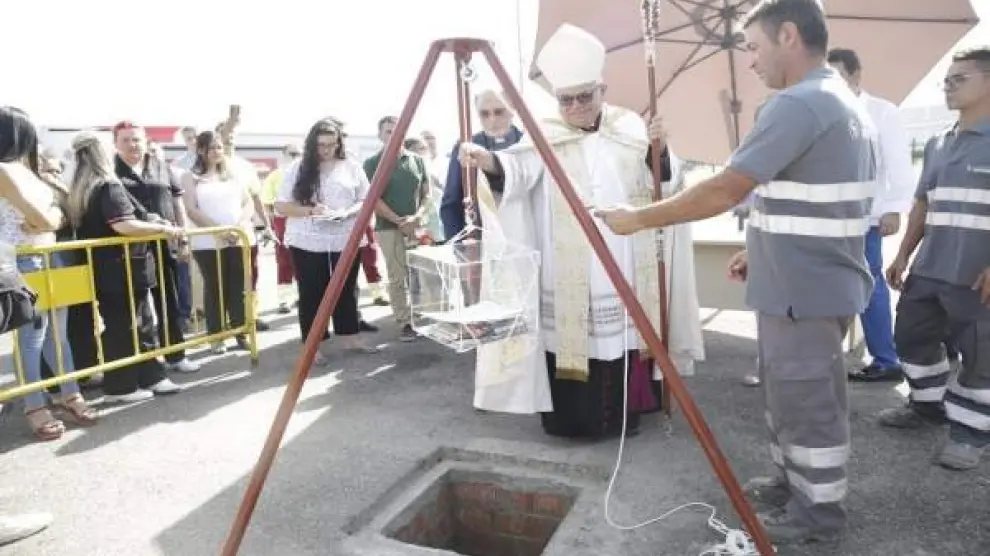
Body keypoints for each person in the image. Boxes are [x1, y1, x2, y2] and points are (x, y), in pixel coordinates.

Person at [596, 0, 875, 543]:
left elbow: (726, 189)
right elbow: (812, 198)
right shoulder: (838, 99)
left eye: (754, 46)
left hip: (802, 290)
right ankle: (791, 485)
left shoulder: (799, 103)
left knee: (807, 403)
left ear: (788, 36)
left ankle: (817, 514)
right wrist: (758, 248)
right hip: (810, 280)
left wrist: (638, 219)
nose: (750, 60)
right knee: (789, 395)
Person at [458, 24, 704, 435]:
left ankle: (626, 416)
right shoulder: (545, 132)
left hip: (624, 257)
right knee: (573, 339)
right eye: (566, 99)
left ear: (602, 90)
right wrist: (489, 162)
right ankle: (573, 423)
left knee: (622, 337)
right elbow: (518, 170)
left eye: (584, 97)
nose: (574, 107)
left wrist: (659, 152)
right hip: (566, 266)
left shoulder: (630, 127)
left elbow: (664, 184)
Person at [880, 47, 990, 471]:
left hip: (976, 277)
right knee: (911, 337)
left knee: (981, 357)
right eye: (946, 80)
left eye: (959, 79)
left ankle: (970, 435)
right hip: (929, 269)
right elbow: (923, 205)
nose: (947, 87)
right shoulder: (937, 144)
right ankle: (928, 407)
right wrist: (903, 255)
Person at [828, 48, 915, 382]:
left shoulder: (881, 112)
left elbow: (899, 165)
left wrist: (894, 208)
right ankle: (824, 356)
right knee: (830, 286)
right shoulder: (823, 114)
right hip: (827, 219)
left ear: (856, 75)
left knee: (869, 285)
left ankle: (886, 359)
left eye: (838, 75)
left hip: (866, 219)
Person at [276, 118, 380, 365]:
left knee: (347, 288)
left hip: (346, 236)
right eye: (321, 145)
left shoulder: (351, 165)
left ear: (339, 143)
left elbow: (366, 198)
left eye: (332, 145)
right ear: (312, 144)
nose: (326, 150)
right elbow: (281, 205)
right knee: (312, 292)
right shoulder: (298, 168)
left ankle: (350, 335)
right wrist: (311, 211)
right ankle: (312, 345)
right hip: (308, 239)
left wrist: (348, 211)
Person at [113, 122, 200, 374]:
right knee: (139, 309)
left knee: (170, 301)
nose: (132, 144)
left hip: (165, 243)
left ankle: (176, 355)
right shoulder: (110, 170)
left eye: (136, 139)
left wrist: (183, 240)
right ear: (116, 143)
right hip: (131, 249)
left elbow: (177, 204)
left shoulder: (162, 167)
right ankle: (146, 364)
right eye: (126, 140)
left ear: (145, 141)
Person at [365, 116, 431, 342]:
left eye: (398, 130)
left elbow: (427, 194)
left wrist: (417, 217)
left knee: (419, 275)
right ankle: (405, 322)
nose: (394, 135)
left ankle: (420, 317)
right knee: (398, 278)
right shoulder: (372, 163)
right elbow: (373, 199)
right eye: (388, 131)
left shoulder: (417, 161)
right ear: (380, 135)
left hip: (417, 227)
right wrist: (398, 221)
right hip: (388, 229)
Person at [441, 89, 524, 239]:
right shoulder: (466, 146)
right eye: (485, 114)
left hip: (526, 233)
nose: (492, 120)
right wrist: (458, 245)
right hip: (484, 237)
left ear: (512, 109)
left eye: (499, 112)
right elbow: (452, 202)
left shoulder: (528, 144)